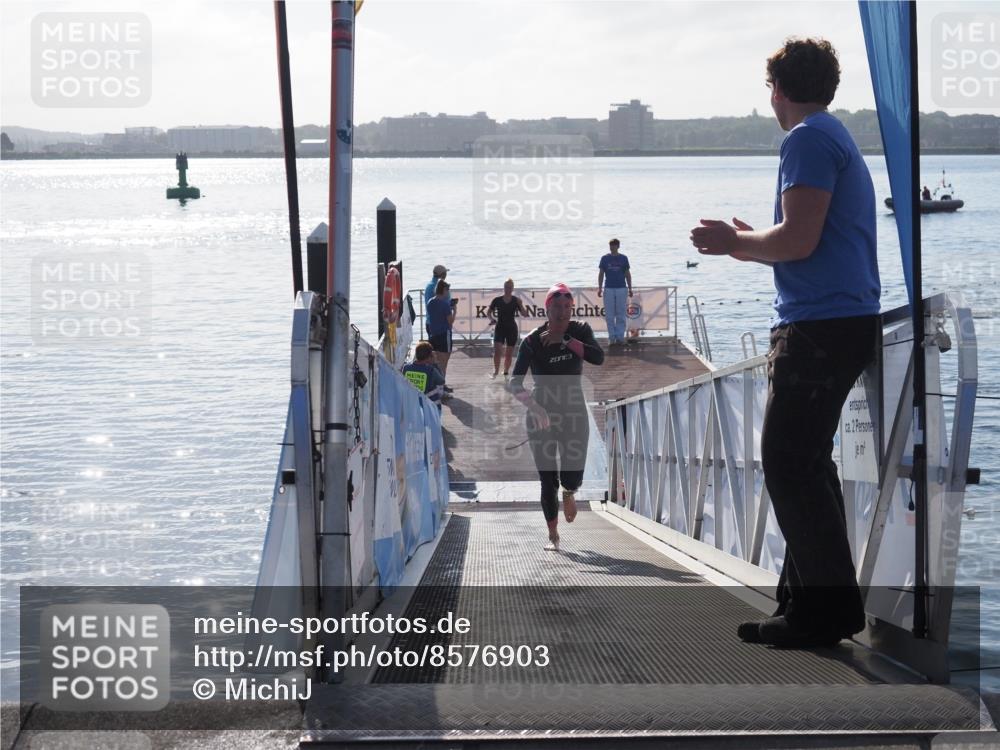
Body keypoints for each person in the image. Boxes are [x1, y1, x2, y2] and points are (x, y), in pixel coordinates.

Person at [689, 37, 880, 648]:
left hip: (820, 328)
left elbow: (797, 241)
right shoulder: (833, 134)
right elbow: (805, 239)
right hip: (839, 321)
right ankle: (804, 603)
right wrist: (754, 239)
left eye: (769, 89)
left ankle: (824, 613)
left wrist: (733, 244)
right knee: (806, 463)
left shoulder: (807, 138)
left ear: (779, 89)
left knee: (788, 462)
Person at [508, 283, 604, 550]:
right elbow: (514, 383)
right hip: (541, 414)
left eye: (566, 307)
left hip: (573, 411)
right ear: (547, 309)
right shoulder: (532, 340)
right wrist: (535, 408)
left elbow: (598, 358)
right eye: (556, 308)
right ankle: (553, 535)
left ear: (571, 308)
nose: (562, 313)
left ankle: (570, 491)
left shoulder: (580, 331)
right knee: (547, 478)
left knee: (571, 477)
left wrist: (565, 341)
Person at [488, 278, 528, 379]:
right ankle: (496, 371)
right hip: (500, 327)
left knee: (509, 354)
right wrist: (491, 319)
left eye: (510, 287)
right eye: (506, 287)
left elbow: (525, 314)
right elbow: (489, 312)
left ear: (513, 288)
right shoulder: (497, 300)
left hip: (511, 329)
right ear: (504, 287)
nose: (508, 289)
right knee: (497, 352)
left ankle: (505, 371)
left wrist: (520, 304)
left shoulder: (516, 300)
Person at [597, 239, 633, 346]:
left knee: (621, 314)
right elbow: (601, 274)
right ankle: (612, 337)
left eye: (614, 245)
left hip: (621, 288)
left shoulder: (623, 258)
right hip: (608, 288)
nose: (612, 247)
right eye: (610, 245)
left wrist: (630, 288)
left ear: (618, 246)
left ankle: (620, 337)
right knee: (609, 315)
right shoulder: (604, 258)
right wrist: (600, 288)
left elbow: (627, 273)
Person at [425, 279, 457, 383]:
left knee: (436, 361)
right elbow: (450, 321)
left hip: (433, 334)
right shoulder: (445, 305)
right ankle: (442, 385)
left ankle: (437, 384)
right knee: (444, 362)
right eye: (447, 290)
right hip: (444, 334)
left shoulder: (430, 302)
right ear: (444, 290)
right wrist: (455, 311)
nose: (448, 292)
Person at [402, 341, 447, 407]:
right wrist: (435, 363)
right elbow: (442, 381)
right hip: (429, 405)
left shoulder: (406, 368)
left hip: (412, 403)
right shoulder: (431, 370)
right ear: (429, 357)